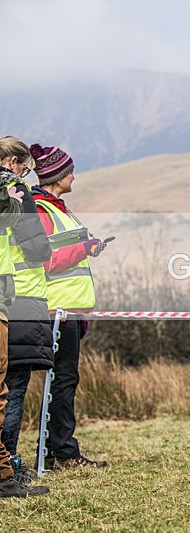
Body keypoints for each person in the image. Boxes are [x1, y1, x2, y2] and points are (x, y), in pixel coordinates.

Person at [30, 143, 108, 469]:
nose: (74, 176)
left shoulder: (58, 208)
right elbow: (46, 261)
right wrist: (83, 249)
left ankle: (54, 451)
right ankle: (63, 452)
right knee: (62, 381)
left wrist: (87, 246)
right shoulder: (42, 211)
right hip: (57, 308)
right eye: (70, 171)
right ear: (58, 175)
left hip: (69, 309)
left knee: (62, 381)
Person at [0, 137, 54, 486]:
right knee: (12, 387)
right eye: (25, 167)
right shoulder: (13, 190)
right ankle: (9, 466)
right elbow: (36, 248)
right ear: (14, 162)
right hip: (19, 296)